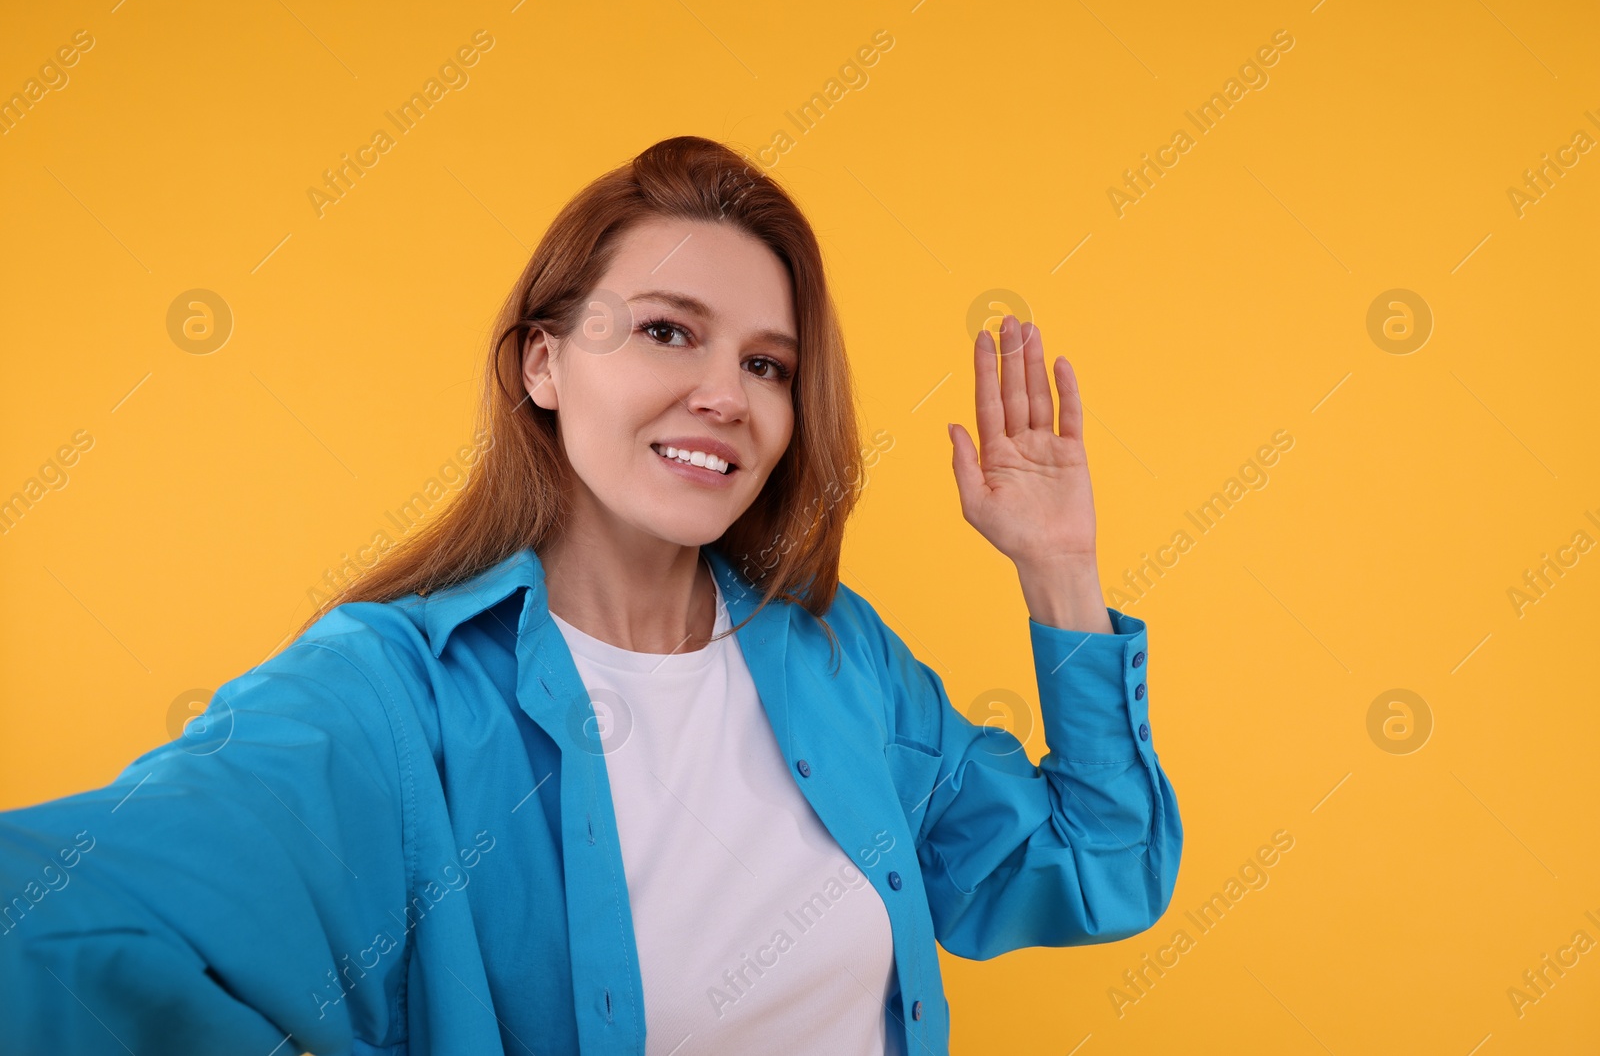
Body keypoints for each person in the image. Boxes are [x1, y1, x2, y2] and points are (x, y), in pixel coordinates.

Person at [0, 135, 1181, 1056]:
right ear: (544, 363)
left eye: (767, 363)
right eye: (669, 331)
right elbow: (48, 920)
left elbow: (1099, 869)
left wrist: (1057, 569)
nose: (727, 393)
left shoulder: (836, 658)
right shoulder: (390, 695)